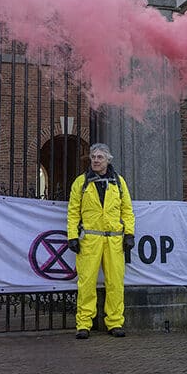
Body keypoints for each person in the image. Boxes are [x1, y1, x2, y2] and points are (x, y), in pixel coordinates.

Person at [66, 143, 135, 339]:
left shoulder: (118, 182)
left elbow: (127, 211)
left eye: (100, 157)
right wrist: (72, 236)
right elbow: (73, 212)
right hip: (90, 239)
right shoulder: (81, 183)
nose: (95, 160)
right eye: (93, 157)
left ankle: (115, 322)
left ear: (108, 160)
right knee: (86, 283)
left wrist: (129, 234)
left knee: (115, 283)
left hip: (114, 240)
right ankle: (84, 324)